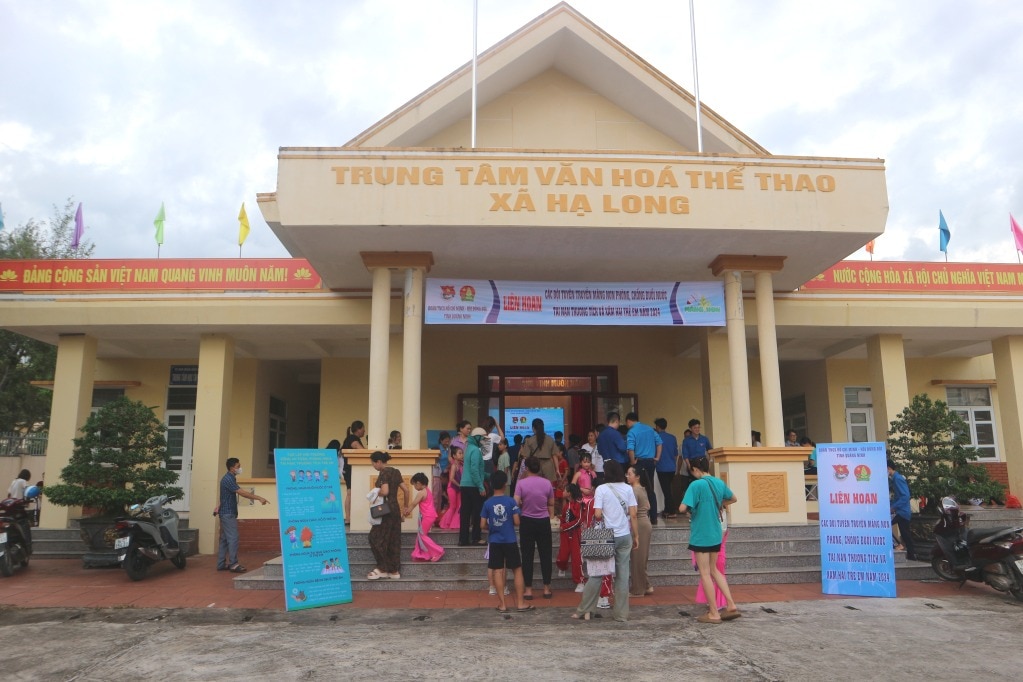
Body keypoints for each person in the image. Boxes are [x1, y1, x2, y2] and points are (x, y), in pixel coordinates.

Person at [573, 461, 638, 623]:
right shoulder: (628, 489)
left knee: (597, 574)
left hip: (606, 537)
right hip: (624, 535)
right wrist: (636, 536)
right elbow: (634, 515)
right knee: (622, 576)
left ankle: (585, 609)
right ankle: (621, 615)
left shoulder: (602, 489)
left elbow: (597, 514)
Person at [679, 456, 740, 623]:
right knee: (714, 570)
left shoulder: (695, 485)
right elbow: (733, 498)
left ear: (696, 469)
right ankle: (731, 604)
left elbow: (682, 507)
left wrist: (694, 508)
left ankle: (713, 612)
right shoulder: (718, 483)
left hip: (701, 534)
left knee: (705, 573)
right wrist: (719, 503)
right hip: (716, 533)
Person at [481, 470, 533, 613]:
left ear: (491, 485)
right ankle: (521, 603)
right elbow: (517, 521)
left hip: (495, 541)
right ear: (505, 485)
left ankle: (502, 604)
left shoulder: (487, 503)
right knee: (517, 569)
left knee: (498, 571)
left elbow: (481, 524)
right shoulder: (511, 501)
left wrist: (492, 527)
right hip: (510, 540)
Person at [217, 457, 269, 573]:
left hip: (226, 512)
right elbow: (242, 493)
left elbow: (224, 496)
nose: (240, 468)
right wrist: (259, 498)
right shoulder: (228, 479)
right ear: (232, 468)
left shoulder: (230, 478)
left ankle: (221, 564)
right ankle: (233, 564)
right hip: (228, 513)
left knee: (225, 539)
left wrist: (218, 506)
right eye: (238, 467)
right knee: (233, 538)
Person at [515, 456, 555, 600]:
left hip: (526, 521)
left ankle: (528, 590)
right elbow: (551, 503)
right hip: (543, 521)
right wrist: (550, 516)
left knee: (527, 556)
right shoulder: (547, 483)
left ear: (526, 468)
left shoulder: (521, 484)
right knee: (546, 555)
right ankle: (546, 588)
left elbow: (515, 503)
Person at [367, 450, 411, 580]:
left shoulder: (384, 473)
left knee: (374, 537)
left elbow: (385, 491)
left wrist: (375, 493)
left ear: (379, 462)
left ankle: (382, 568)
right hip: (395, 509)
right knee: (393, 539)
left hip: (385, 510)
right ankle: (394, 570)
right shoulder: (396, 472)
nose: (373, 466)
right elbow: (406, 490)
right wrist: (406, 507)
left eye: (373, 463)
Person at [625, 412, 661, 525]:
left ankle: (639, 515)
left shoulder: (632, 431)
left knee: (637, 488)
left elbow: (630, 448)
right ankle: (654, 517)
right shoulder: (650, 429)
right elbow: (659, 443)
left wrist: (632, 462)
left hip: (639, 462)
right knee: (650, 489)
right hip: (651, 462)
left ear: (629, 421)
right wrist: (657, 457)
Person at [627, 465, 654, 597]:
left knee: (637, 557)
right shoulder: (642, 489)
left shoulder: (634, 491)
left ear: (637, 476)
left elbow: (633, 512)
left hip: (640, 524)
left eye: (630, 474)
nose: (627, 476)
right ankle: (647, 585)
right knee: (641, 557)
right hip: (645, 523)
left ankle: (638, 590)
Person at [406, 472, 444, 563]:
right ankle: (420, 554)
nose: (415, 487)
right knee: (420, 535)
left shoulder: (421, 493)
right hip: (428, 516)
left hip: (427, 516)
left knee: (422, 536)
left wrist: (407, 511)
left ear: (418, 483)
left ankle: (438, 551)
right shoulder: (427, 490)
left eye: (414, 485)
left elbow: (414, 503)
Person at [459, 427, 487, 546]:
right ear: (477, 438)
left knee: (465, 514)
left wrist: (489, 476)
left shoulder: (468, 448)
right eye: (483, 438)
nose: (484, 441)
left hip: (464, 485)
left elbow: (474, 469)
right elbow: (475, 470)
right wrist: (481, 487)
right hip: (474, 486)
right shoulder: (476, 450)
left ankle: (463, 539)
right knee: (477, 513)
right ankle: (476, 538)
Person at [556, 483, 585, 592]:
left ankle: (580, 581)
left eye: (565, 490)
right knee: (562, 556)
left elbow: (578, 520)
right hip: (565, 534)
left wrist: (564, 526)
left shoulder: (578, 504)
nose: (563, 492)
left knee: (576, 558)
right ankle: (562, 567)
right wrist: (562, 526)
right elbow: (563, 518)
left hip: (575, 534)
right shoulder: (566, 506)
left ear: (569, 493)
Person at [888, 459, 917, 561]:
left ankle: (897, 545)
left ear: (889, 468)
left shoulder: (897, 479)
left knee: (884, 524)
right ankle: (912, 555)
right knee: (905, 534)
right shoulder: (894, 479)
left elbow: (905, 496)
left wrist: (893, 507)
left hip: (901, 511)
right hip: (902, 511)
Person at [341, 420, 366, 525]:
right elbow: (361, 450)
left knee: (350, 493)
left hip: (348, 469)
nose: (364, 431)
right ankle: (348, 518)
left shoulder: (349, 438)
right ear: (359, 429)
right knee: (350, 494)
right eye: (363, 428)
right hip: (351, 469)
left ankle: (349, 518)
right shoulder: (353, 439)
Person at [520, 418, 559, 484]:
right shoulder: (550, 439)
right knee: (547, 486)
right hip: (548, 466)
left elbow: (525, 457)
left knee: (534, 485)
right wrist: (557, 469)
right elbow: (555, 456)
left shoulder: (529, 440)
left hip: (534, 466)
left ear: (533, 428)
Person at [654, 418, 679, 519]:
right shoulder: (672, 437)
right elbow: (675, 454)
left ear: (658, 427)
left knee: (666, 490)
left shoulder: (656, 437)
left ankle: (672, 511)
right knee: (668, 489)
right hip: (671, 467)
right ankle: (667, 510)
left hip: (661, 467)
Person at [439, 445, 463, 529]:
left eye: (462, 453)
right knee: (453, 506)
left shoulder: (462, 466)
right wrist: (460, 485)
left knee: (459, 506)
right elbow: (451, 479)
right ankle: (445, 524)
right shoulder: (453, 466)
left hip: (459, 488)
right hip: (452, 488)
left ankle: (455, 524)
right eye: (459, 453)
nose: (461, 455)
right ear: (454, 456)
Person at [431, 431, 452, 518]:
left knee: (445, 493)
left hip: (447, 473)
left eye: (448, 441)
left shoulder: (450, 449)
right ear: (441, 440)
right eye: (446, 441)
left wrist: (448, 468)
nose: (447, 443)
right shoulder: (437, 449)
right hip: (437, 474)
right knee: (437, 495)